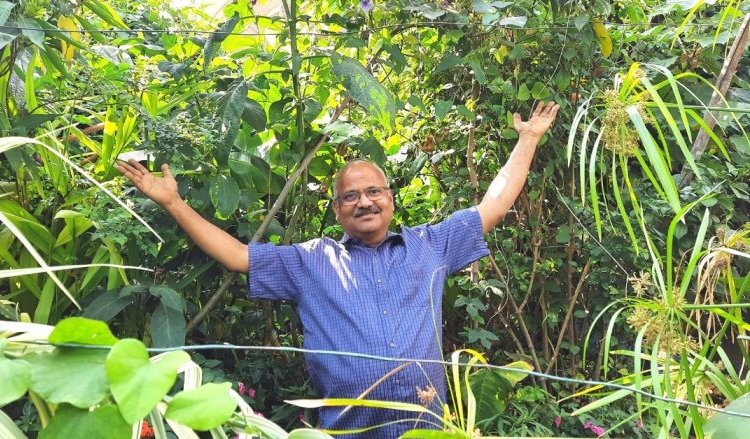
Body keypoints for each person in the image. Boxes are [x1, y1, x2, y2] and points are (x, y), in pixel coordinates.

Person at [117, 101, 559, 438]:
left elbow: (494, 203)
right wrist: (173, 202)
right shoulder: (311, 261)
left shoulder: (432, 244)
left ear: (389, 198)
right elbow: (237, 255)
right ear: (336, 209)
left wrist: (528, 140)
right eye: (351, 196)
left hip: (428, 428)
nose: (364, 201)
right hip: (347, 431)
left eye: (373, 191)